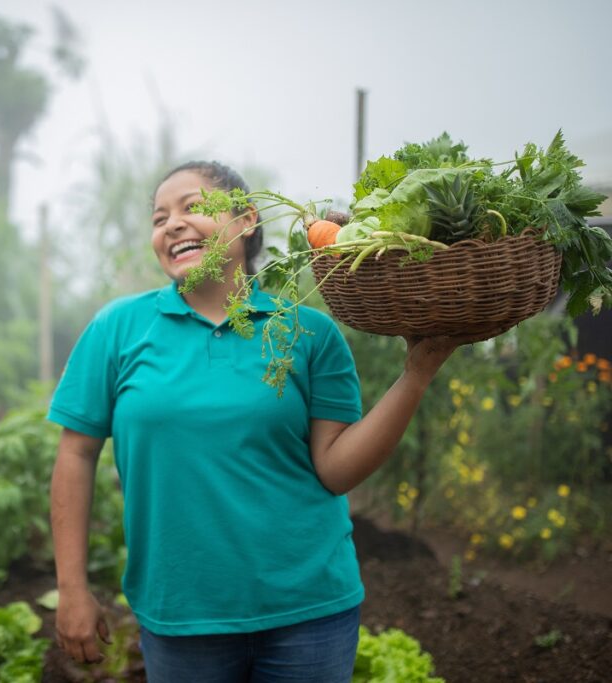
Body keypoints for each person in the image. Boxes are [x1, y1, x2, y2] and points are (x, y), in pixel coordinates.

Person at [48, 160, 482, 682]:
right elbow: (75, 453)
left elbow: (336, 470)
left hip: (309, 612)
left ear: (247, 220)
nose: (172, 225)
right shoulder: (118, 328)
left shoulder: (309, 332)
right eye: (160, 218)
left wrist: (416, 374)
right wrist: (72, 587)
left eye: (193, 207)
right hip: (182, 614)